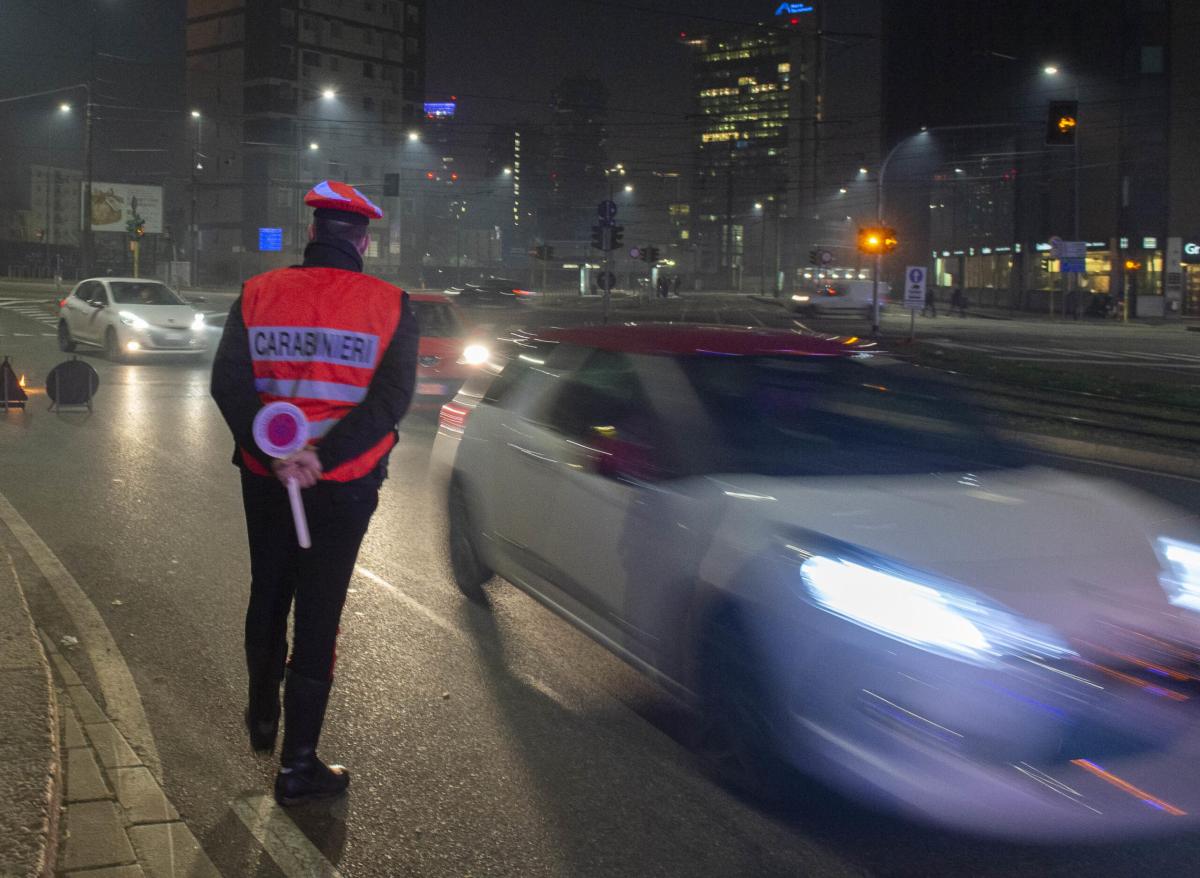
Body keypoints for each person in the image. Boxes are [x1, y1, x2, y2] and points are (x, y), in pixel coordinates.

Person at [211, 180, 418, 806]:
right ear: (362, 241)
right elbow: (388, 403)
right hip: (342, 486)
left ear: (311, 234)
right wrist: (319, 457)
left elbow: (228, 384)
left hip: (265, 477)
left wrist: (275, 452)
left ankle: (261, 713)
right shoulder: (392, 304)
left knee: (268, 588)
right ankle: (298, 766)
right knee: (319, 610)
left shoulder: (257, 293)